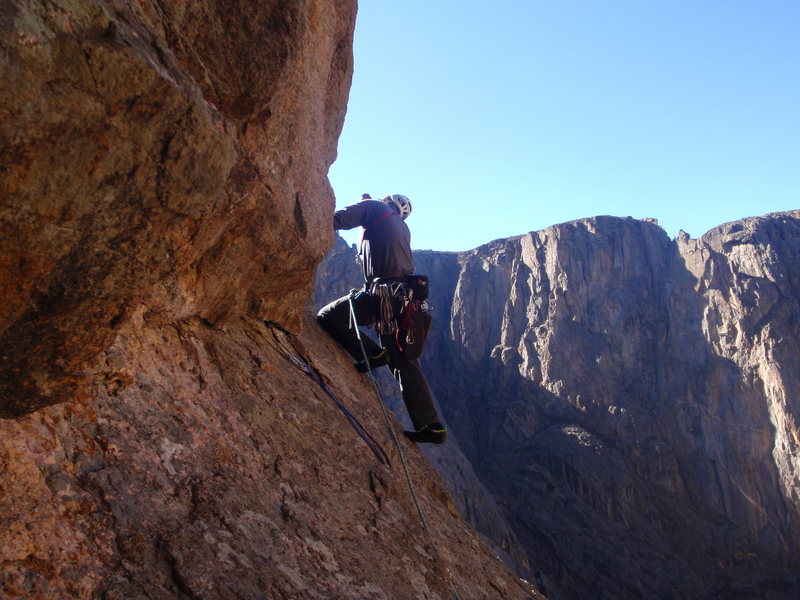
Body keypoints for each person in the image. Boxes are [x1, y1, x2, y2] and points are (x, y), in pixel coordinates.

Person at [316, 194, 447, 444]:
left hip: (381, 294)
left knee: (328, 315)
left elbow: (337, 219)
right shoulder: (402, 227)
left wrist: (365, 203)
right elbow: (375, 238)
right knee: (403, 361)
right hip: (403, 298)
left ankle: (372, 354)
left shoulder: (374, 208)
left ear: (385, 200)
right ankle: (432, 426)